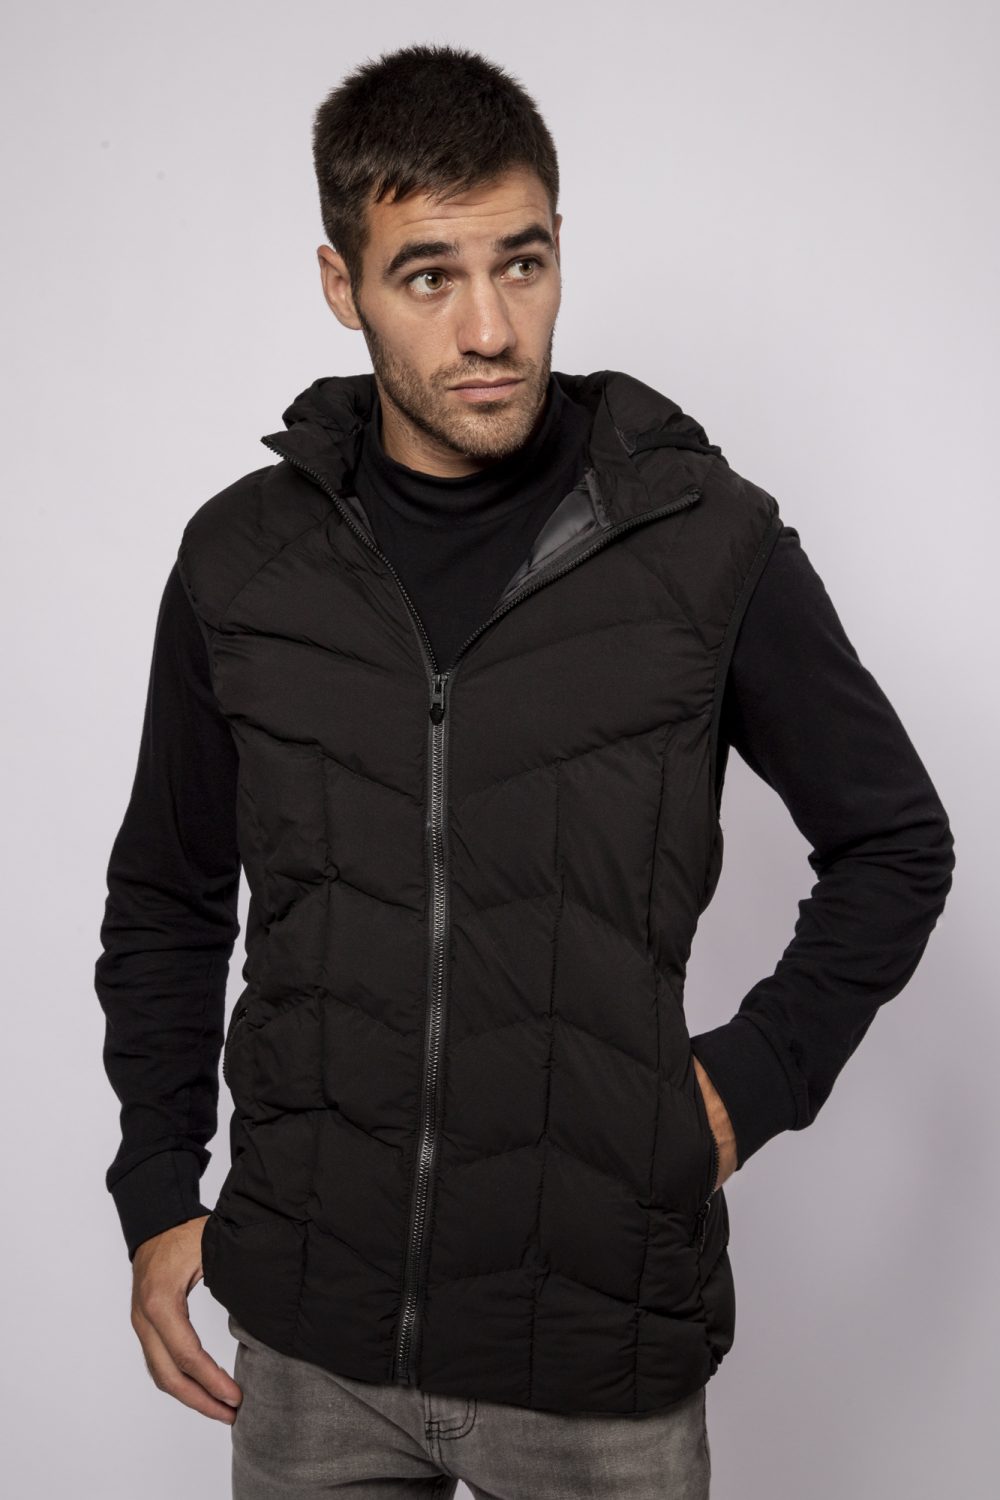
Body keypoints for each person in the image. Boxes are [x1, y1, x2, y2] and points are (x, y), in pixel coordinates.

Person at [94, 42, 956, 1500]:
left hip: (598, 1352)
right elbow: (170, 897)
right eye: (429, 275)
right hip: (310, 1342)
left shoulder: (707, 544)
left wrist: (742, 1088)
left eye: (523, 263)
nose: (489, 327)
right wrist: (157, 1191)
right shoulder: (243, 560)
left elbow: (896, 844)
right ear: (343, 285)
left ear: (560, 251)